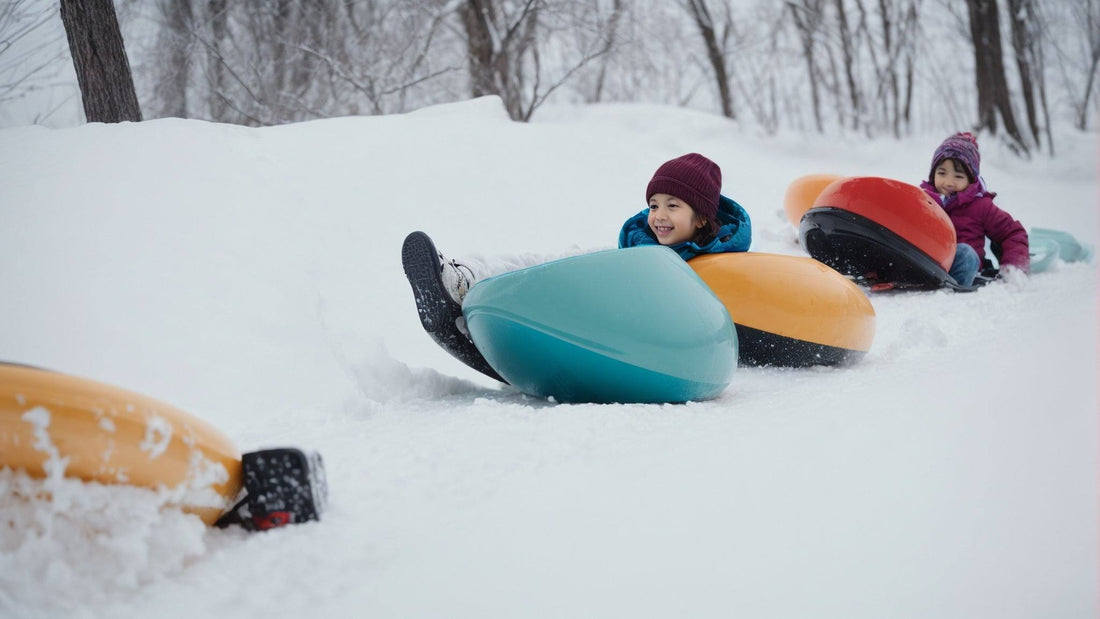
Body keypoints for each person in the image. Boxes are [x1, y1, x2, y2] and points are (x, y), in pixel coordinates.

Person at [435, 152, 752, 304]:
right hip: (614, 275)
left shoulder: (716, 260)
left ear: (700, 219)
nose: (658, 216)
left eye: (673, 205)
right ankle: (466, 277)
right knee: (557, 260)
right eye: (654, 205)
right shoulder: (638, 245)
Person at [918, 132, 1029, 286]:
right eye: (942, 173)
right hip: (927, 263)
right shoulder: (923, 200)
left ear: (971, 179)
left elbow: (1012, 232)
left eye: (958, 176)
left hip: (959, 265)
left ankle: (950, 286)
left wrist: (1013, 266)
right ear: (933, 174)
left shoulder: (980, 206)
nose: (949, 182)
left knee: (966, 253)